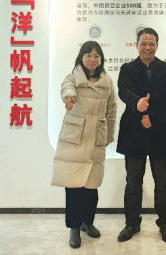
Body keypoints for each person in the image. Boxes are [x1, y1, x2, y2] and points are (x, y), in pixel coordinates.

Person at [116, 27, 166, 244]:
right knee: (133, 183)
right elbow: (123, 90)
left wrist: (153, 117)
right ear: (137, 45)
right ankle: (132, 223)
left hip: (160, 132)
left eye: (151, 44)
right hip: (133, 133)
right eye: (143, 44)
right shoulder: (127, 69)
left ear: (157, 46)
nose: (147, 48)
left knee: (162, 183)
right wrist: (137, 102)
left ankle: (165, 223)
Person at [51, 41, 118, 249]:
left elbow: (112, 110)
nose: (92, 59)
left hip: (96, 137)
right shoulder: (73, 77)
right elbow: (67, 88)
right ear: (81, 57)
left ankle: (87, 222)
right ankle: (74, 227)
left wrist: (108, 135)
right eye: (88, 55)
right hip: (75, 138)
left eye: (96, 56)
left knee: (91, 187)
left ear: (101, 59)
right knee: (73, 187)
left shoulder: (107, 81)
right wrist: (69, 98)